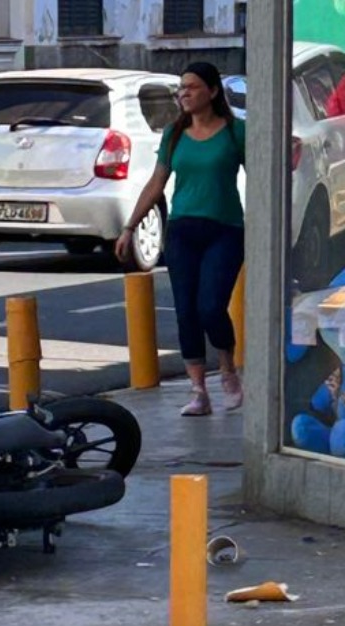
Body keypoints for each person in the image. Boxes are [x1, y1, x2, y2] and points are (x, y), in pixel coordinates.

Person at [116, 62, 245, 417]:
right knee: (186, 310)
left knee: (210, 306)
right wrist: (130, 227)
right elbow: (156, 183)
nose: (184, 93)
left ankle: (228, 370)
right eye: (181, 88)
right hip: (183, 230)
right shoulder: (173, 133)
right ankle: (198, 391)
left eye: (192, 87)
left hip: (225, 229)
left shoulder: (236, 132)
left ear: (213, 91)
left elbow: (263, 174)